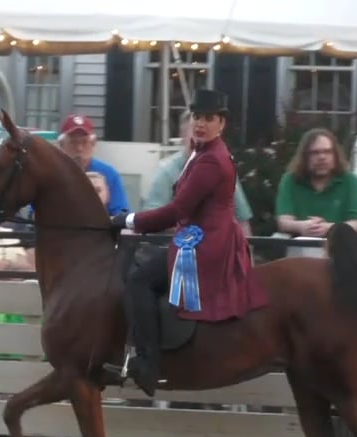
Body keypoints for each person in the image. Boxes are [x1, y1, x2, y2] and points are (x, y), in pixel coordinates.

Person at [104, 90, 268, 397]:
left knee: (139, 280)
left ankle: (150, 363)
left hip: (205, 243)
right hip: (200, 236)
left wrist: (127, 220)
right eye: (196, 117)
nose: (200, 123)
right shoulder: (203, 152)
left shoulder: (211, 161)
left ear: (221, 123)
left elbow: (177, 210)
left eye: (208, 118)